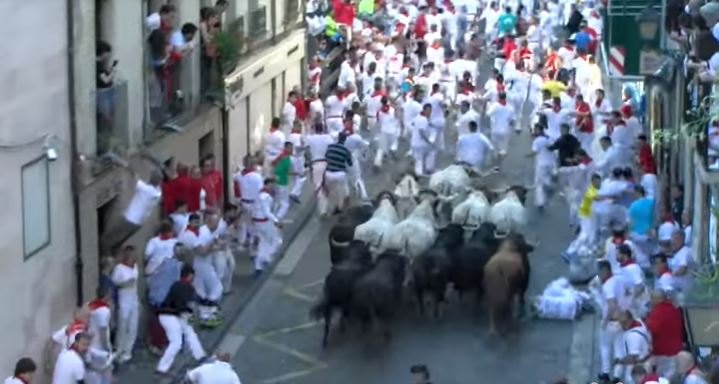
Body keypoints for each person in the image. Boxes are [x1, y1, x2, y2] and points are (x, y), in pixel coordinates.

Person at [156, 265, 206, 375]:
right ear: (190, 275)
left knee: (189, 332)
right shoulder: (186, 287)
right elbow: (184, 304)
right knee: (176, 342)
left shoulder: (177, 284)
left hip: (171, 315)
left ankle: (200, 356)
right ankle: (161, 368)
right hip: (169, 316)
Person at [178, 213, 223, 323]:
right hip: (201, 265)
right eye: (215, 223)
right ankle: (210, 309)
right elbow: (202, 251)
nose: (217, 225)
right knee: (217, 287)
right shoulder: (194, 234)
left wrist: (215, 245)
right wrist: (213, 247)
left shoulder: (200, 232)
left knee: (201, 291)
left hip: (200, 265)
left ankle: (205, 315)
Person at [595, 260, 626, 383]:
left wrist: (605, 320)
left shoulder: (608, 285)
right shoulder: (618, 280)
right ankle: (618, 376)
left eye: (599, 272)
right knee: (619, 348)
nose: (599, 275)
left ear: (605, 270)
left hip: (611, 321)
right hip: (621, 320)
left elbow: (612, 304)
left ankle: (605, 372)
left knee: (605, 347)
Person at [645, 289, 683, 378]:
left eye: (652, 298)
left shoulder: (656, 312)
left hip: (661, 353)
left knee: (662, 378)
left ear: (658, 299)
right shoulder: (675, 310)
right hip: (676, 351)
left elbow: (651, 330)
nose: (651, 301)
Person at [111, 245, 139, 363]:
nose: (131, 257)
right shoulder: (119, 268)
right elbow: (114, 284)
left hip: (134, 299)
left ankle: (128, 351)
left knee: (133, 326)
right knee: (123, 325)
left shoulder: (135, 267)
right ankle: (119, 349)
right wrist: (126, 283)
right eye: (129, 255)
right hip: (124, 299)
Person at [253, 178, 282, 274]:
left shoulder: (259, 195)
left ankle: (258, 265)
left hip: (257, 221)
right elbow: (267, 212)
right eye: (273, 185)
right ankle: (266, 257)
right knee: (277, 241)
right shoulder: (265, 197)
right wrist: (276, 221)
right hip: (265, 222)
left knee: (263, 242)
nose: (274, 187)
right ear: (268, 184)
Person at [85, 286, 114, 384]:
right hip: (99, 349)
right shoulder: (104, 311)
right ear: (106, 296)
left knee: (94, 377)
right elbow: (103, 331)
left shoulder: (90, 305)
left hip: (90, 345)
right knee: (103, 377)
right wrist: (107, 348)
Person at [614, 310, 652, 383]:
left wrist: (619, 361)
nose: (620, 326)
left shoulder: (633, 337)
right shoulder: (639, 322)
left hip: (638, 368)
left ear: (626, 322)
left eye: (621, 323)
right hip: (645, 361)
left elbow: (632, 358)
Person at [234, 156, 263, 248]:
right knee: (250, 222)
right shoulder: (255, 176)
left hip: (249, 202)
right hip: (250, 203)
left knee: (249, 222)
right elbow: (260, 190)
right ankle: (249, 239)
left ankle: (248, 239)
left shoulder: (240, 176)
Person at [305, 123, 334, 215]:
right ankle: (329, 205)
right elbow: (331, 150)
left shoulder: (310, 138)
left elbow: (307, 152)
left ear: (314, 129)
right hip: (326, 163)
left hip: (316, 163)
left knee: (318, 187)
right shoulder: (328, 138)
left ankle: (323, 210)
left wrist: (309, 164)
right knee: (327, 186)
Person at [616, 244, 650, 318]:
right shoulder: (622, 267)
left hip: (640, 305)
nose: (616, 256)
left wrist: (631, 301)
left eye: (618, 254)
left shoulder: (633, 268)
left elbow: (640, 286)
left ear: (624, 254)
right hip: (632, 304)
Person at [324, 132, 354, 214]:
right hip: (340, 173)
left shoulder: (330, 147)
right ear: (345, 140)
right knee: (344, 190)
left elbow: (326, 157)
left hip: (329, 173)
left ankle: (335, 207)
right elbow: (350, 163)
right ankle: (344, 205)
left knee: (332, 192)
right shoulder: (345, 150)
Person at [529, 124, 556, 210]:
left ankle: (540, 202)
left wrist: (526, 156)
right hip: (550, 163)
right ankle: (548, 187)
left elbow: (534, 152)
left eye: (536, 129)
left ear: (540, 130)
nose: (534, 131)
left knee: (539, 183)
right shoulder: (549, 138)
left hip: (541, 164)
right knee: (546, 179)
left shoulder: (537, 141)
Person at [486, 92, 515, 166]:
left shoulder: (495, 106)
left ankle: (495, 162)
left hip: (495, 129)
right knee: (503, 147)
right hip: (505, 130)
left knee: (494, 146)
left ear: (499, 97)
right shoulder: (510, 108)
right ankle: (500, 160)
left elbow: (488, 114)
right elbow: (512, 121)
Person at [667, 229, 695, 295]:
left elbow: (682, 269)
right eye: (672, 239)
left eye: (676, 239)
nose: (673, 241)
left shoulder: (686, 251)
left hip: (685, 290)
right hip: (676, 289)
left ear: (682, 240)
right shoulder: (676, 254)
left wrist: (670, 274)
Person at [410, 103, 434, 176]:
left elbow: (412, 124)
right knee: (429, 154)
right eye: (428, 111)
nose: (429, 112)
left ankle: (419, 173)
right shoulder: (423, 120)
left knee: (419, 159)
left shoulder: (418, 117)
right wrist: (429, 141)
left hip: (414, 142)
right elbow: (422, 133)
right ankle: (426, 170)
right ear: (424, 110)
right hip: (421, 143)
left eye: (430, 111)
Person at [271, 141, 293, 220]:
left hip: (276, 181)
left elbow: (273, 164)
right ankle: (277, 218)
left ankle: (273, 216)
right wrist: (299, 173)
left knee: (277, 201)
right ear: (286, 148)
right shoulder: (286, 158)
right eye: (290, 148)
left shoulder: (280, 156)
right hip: (283, 182)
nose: (292, 150)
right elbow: (289, 171)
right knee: (285, 204)